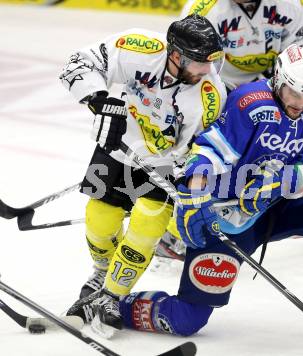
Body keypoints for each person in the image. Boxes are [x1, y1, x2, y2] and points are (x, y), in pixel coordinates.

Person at [67, 44, 303, 340]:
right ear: (277, 80)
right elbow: (210, 152)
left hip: (277, 206)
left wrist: (286, 178)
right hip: (231, 215)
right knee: (186, 320)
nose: (301, 103)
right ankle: (116, 302)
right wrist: (194, 199)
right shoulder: (250, 103)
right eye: (294, 93)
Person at [59, 14, 226, 332]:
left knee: (146, 226)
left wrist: (183, 172)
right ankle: (103, 270)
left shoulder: (209, 95)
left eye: (210, 63)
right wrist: (100, 100)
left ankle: (111, 294)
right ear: (176, 55)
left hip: (163, 165)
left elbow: (203, 149)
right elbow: (80, 63)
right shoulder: (140, 47)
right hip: (116, 147)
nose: (207, 71)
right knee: (99, 219)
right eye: (199, 63)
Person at [181, 0, 303, 90]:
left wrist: (267, 84)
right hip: (216, 84)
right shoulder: (202, 9)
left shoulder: (289, 4)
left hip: (270, 82)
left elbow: (300, 48)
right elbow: (189, 62)